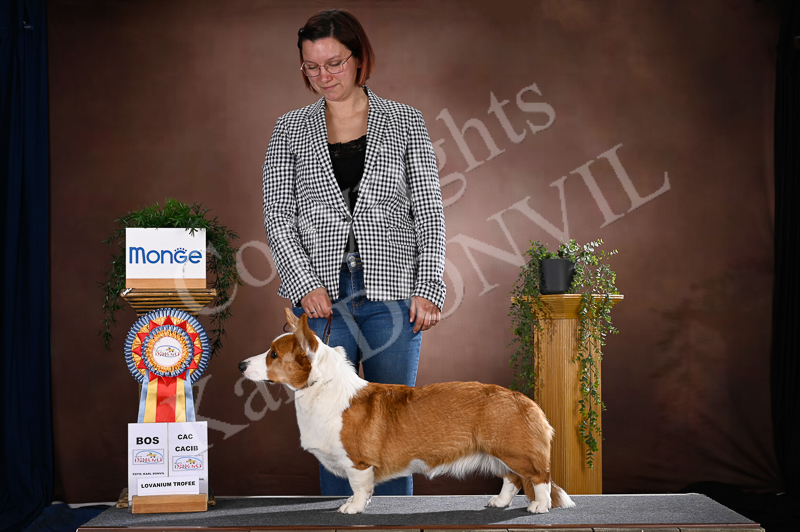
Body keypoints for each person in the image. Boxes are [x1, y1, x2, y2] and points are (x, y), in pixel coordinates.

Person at [261, 9, 447, 497]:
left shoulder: (405, 121)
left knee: (395, 427)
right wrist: (304, 283)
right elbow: (278, 216)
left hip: (394, 295)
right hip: (321, 299)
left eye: (334, 63)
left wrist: (429, 286)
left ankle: (395, 525)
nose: (323, 76)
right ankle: (339, 526)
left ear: (359, 58)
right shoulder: (288, 129)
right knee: (330, 424)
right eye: (312, 67)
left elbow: (429, 212)